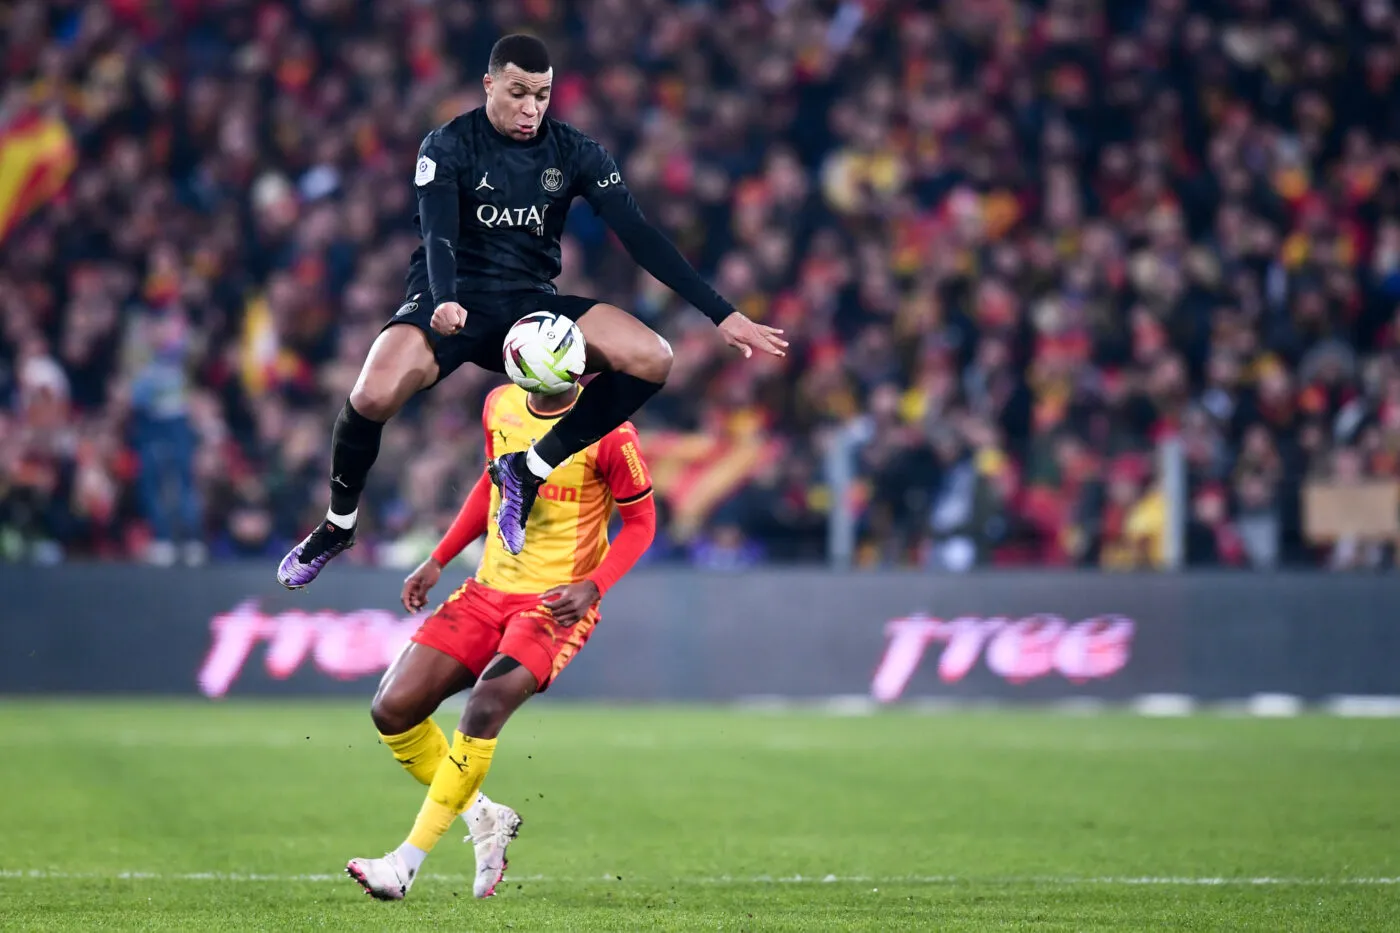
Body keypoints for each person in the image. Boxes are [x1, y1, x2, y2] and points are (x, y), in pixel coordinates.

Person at [277, 33, 781, 588]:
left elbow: (639, 235)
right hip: (450, 299)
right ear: (489, 84)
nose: (530, 108)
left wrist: (721, 313)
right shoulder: (446, 145)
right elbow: (438, 232)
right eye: (518, 93)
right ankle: (338, 524)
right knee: (371, 394)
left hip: (529, 310)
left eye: (541, 95)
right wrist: (443, 298)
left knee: (652, 357)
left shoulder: (575, 151)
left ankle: (529, 468)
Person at [346, 376, 657, 901]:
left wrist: (593, 586)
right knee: (392, 710)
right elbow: (492, 485)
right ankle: (484, 817)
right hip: (487, 590)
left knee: (486, 705)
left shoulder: (613, 434)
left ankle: (404, 863)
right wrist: (439, 557)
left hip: (554, 605)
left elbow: (643, 524)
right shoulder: (500, 404)